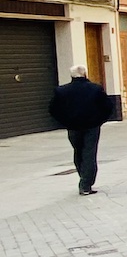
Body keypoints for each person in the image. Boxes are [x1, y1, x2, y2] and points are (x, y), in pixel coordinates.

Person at [48, 65, 113, 196]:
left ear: (71, 76)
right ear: (85, 74)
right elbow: (108, 107)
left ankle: (83, 177)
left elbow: (53, 110)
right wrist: (99, 120)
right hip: (91, 126)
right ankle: (86, 183)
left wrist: (64, 122)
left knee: (78, 152)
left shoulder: (61, 91)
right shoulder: (95, 89)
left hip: (73, 127)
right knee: (89, 152)